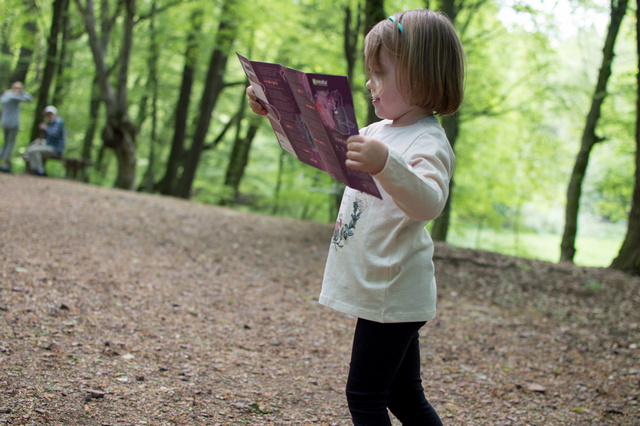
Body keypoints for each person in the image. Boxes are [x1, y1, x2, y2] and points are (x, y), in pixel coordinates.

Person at [247, 9, 465, 425]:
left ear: (422, 76)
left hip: (393, 287)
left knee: (364, 396)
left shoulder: (427, 140)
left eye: (381, 72)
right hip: (383, 285)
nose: (370, 82)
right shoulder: (377, 130)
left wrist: (387, 165)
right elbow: (317, 144)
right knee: (403, 395)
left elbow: (429, 203)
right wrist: (272, 107)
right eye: (370, 72)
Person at [0, 81, 33, 173]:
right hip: (13, 124)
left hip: (4, 123)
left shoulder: (6, 95)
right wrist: (21, 92)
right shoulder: (14, 97)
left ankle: (4, 162)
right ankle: (5, 164)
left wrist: (12, 91)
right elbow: (30, 98)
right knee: (10, 143)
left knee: (6, 143)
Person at [25, 105, 66, 176]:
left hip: (55, 149)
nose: (49, 116)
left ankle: (39, 170)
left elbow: (54, 135)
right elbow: (48, 138)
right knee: (32, 147)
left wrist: (45, 129)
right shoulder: (51, 124)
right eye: (47, 114)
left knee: (34, 150)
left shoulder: (58, 122)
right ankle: (34, 169)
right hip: (50, 146)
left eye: (50, 114)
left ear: (55, 114)